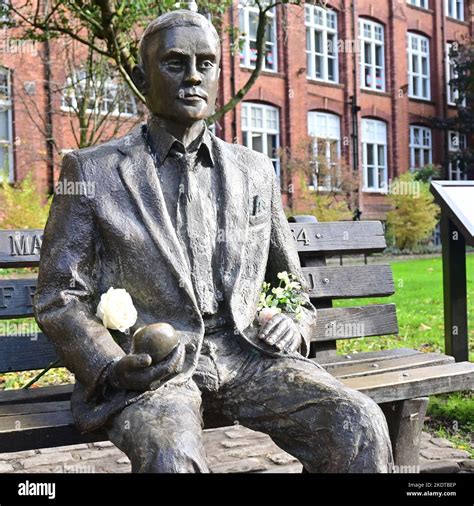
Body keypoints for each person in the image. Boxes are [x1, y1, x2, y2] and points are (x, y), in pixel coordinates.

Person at [34, 10, 393, 473]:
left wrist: (293, 323)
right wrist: (110, 364)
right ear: (143, 78)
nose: (192, 78)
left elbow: (290, 286)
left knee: (358, 422)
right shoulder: (93, 171)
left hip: (248, 356)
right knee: (171, 458)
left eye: (206, 64)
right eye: (175, 63)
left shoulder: (254, 171)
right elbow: (58, 296)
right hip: (157, 370)